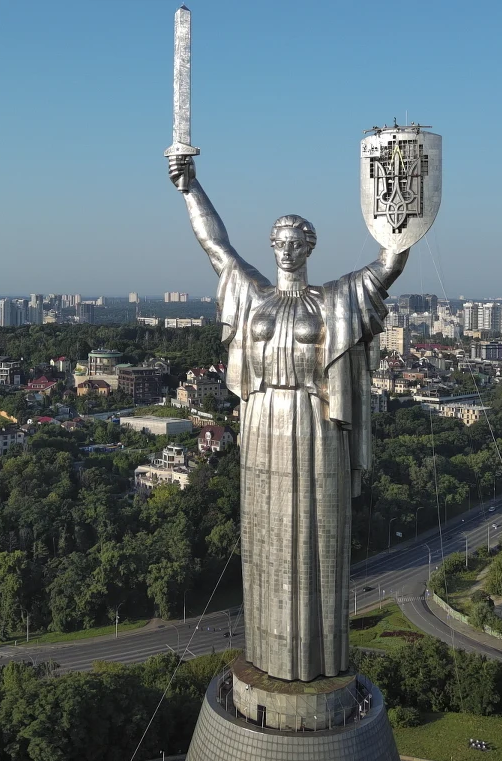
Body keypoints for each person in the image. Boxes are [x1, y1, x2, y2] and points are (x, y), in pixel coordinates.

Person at [169, 155, 409, 681]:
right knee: (263, 534)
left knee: (318, 531)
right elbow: (215, 244)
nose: (285, 247)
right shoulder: (253, 295)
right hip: (261, 419)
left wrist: (402, 207)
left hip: (314, 419)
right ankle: (268, 655)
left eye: (296, 240)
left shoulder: (333, 300)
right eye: (278, 240)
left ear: (310, 248)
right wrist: (191, 189)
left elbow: (387, 266)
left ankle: (318, 662)